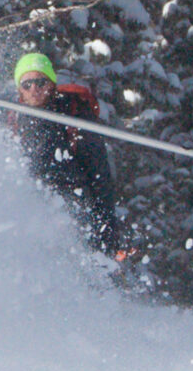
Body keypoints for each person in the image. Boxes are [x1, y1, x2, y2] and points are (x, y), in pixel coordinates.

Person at [9, 51, 121, 255]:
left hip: (73, 212)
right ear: (20, 90)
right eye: (27, 84)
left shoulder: (74, 115)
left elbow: (100, 176)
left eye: (40, 82)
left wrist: (107, 232)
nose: (34, 89)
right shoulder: (13, 117)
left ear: (51, 84)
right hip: (28, 215)